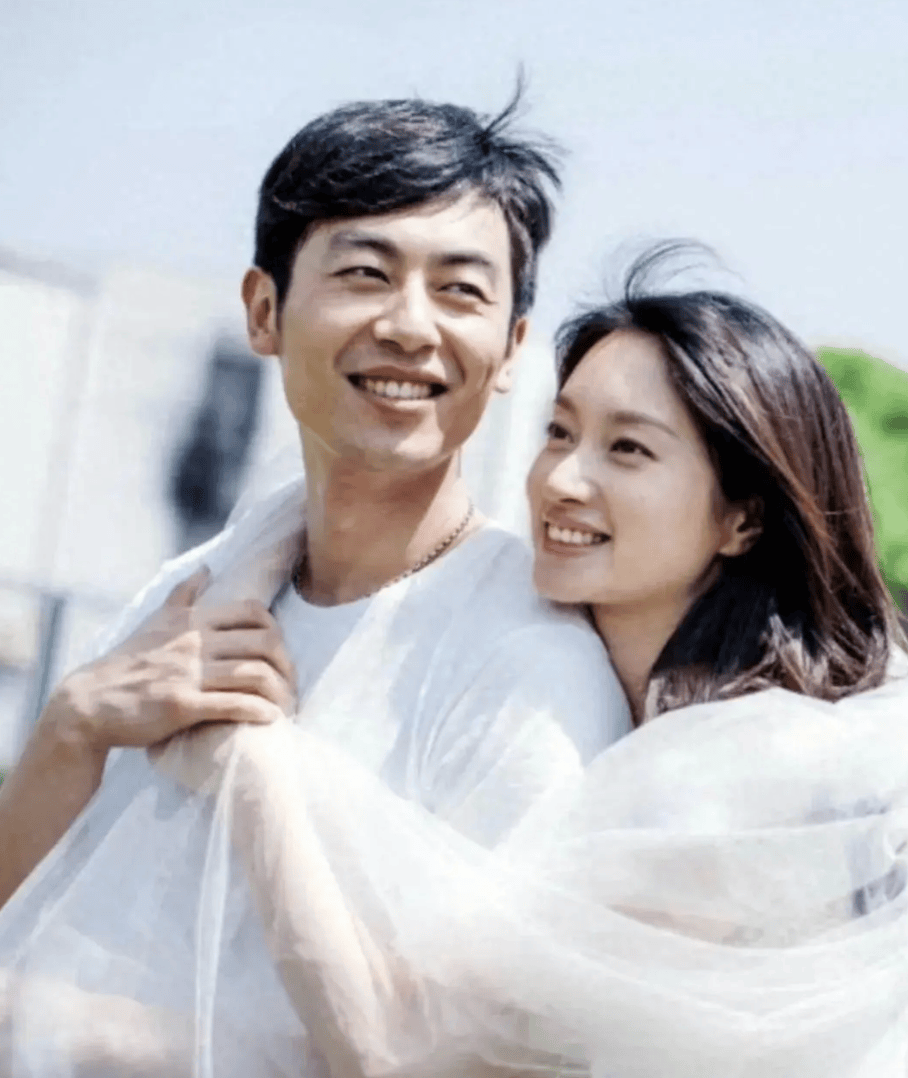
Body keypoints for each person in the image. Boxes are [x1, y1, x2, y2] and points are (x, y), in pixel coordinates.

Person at [17, 244, 903, 1077]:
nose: (561, 480)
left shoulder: (724, 784)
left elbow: (399, 1050)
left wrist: (250, 764)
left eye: (628, 449)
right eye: (559, 432)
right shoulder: (670, 732)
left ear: (744, 519)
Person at [0, 92, 631, 1074]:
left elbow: (470, 1059)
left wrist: (82, 1026)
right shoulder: (194, 595)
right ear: (264, 310)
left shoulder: (533, 672)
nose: (410, 325)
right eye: (365, 273)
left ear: (511, 350)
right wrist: (72, 723)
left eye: (460, 291)